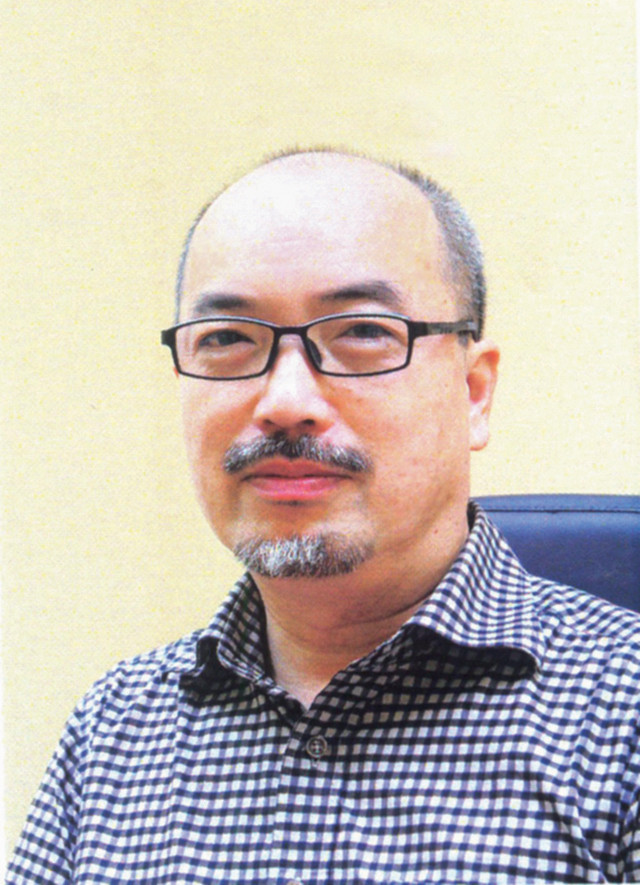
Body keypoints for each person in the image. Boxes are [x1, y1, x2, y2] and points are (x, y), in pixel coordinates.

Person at [7, 150, 640, 884]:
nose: (284, 401)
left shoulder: (622, 720)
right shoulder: (114, 731)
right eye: (227, 338)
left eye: (363, 332)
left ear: (473, 392)